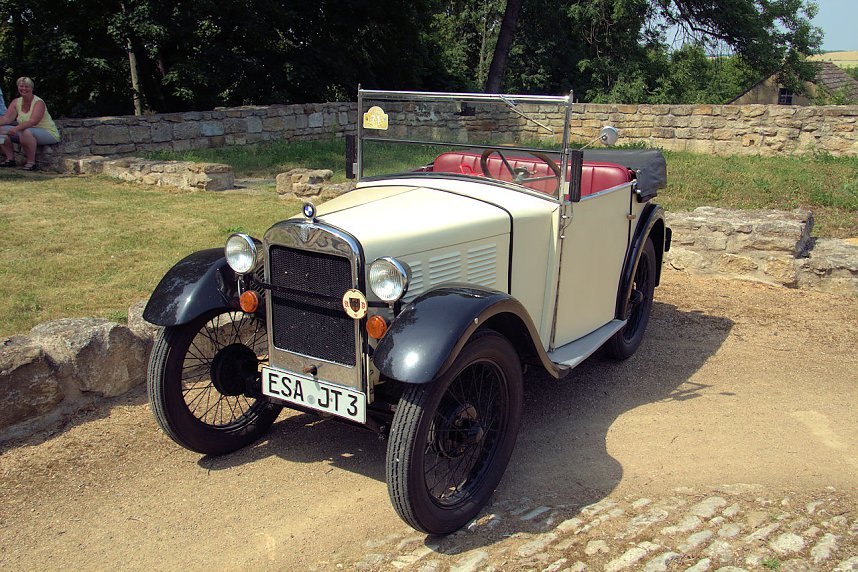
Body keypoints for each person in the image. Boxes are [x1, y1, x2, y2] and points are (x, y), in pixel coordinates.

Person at [0, 77, 60, 171]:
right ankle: (10, 159)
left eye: (26, 86)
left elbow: (33, 121)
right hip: (25, 131)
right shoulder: (16, 102)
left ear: (31, 88)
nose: (23, 89)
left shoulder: (39, 102)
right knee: (1, 130)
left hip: (47, 132)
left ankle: (31, 163)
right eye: (21, 86)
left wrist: (15, 129)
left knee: (26, 132)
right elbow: (6, 119)